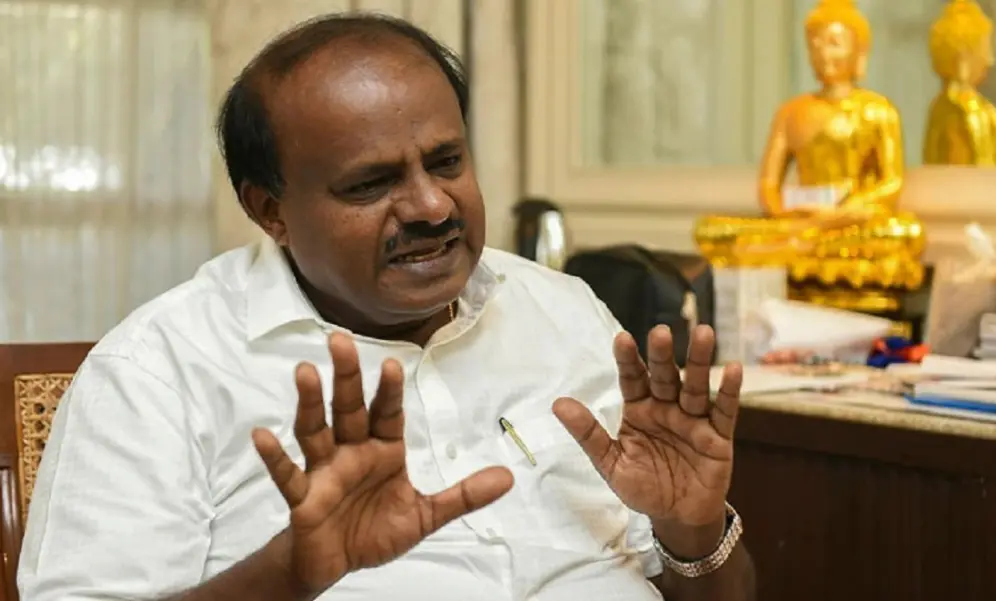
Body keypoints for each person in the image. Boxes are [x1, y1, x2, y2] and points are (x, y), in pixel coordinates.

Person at [18, 13, 755, 601]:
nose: (432, 206)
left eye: (446, 161)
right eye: (371, 184)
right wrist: (290, 572)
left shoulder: (564, 312)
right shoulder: (158, 372)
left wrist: (690, 529)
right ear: (269, 210)